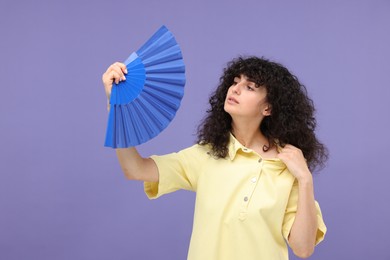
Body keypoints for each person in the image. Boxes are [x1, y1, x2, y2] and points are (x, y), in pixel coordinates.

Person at [102, 56, 328, 260]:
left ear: (268, 107)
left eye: (249, 87)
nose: (236, 89)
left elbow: (303, 248)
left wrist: (305, 180)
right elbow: (135, 169)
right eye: (235, 82)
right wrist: (116, 107)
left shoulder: (288, 165)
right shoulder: (206, 155)